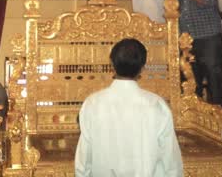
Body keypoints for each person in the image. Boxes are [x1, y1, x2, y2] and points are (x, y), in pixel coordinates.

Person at [75, 38, 183, 176]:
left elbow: (83, 162)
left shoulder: (93, 104)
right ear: (142, 67)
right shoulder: (157, 106)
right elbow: (171, 162)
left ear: (112, 64)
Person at [168, 0, 222, 107]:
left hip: (208, 39)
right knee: (190, 80)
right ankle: (195, 117)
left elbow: (208, 1)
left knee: (214, 78)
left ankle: (219, 116)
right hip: (187, 41)